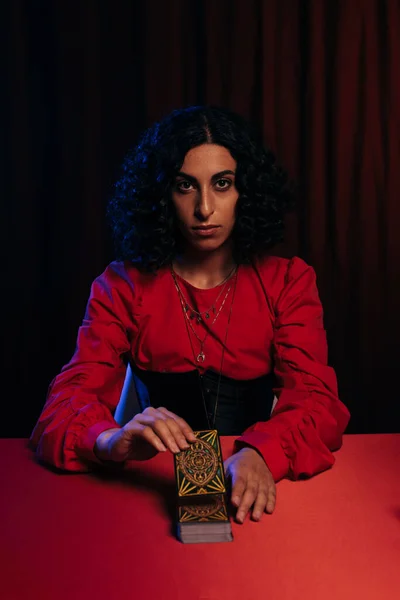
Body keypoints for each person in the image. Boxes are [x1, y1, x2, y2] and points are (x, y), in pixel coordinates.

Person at [30, 105, 350, 524]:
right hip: (146, 492)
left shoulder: (288, 281)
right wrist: (111, 441)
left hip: (260, 483)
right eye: (185, 186)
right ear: (162, 195)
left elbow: (317, 402)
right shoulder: (122, 286)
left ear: (246, 191)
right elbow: (64, 405)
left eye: (222, 184)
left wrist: (261, 453)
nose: (204, 209)